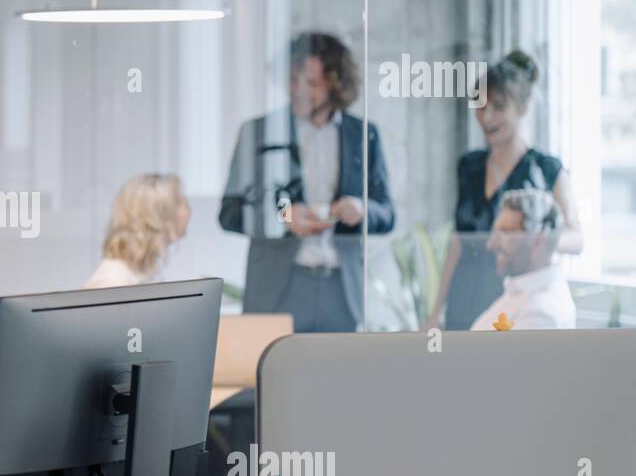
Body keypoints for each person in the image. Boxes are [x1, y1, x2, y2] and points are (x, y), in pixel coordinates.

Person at [219, 32, 394, 332]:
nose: (299, 91)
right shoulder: (258, 133)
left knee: (338, 378)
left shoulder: (364, 135)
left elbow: (387, 214)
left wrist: (361, 209)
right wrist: (284, 218)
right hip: (279, 289)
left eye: (312, 83)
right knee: (272, 377)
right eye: (292, 80)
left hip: (342, 290)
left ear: (336, 85)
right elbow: (231, 212)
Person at [427, 51, 581, 330]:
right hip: (465, 295)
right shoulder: (469, 166)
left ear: (521, 108)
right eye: (480, 106)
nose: (487, 117)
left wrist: (532, 237)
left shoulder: (546, 169)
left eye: (498, 106)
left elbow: (577, 238)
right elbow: (458, 243)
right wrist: (436, 311)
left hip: (513, 293)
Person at [471, 189, 576, 331]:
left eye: (505, 233)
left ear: (539, 241)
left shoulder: (541, 314)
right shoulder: (519, 292)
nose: (491, 244)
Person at [85, 173, 191, 288]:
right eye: (180, 202)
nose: (188, 209)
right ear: (156, 215)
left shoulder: (142, 272)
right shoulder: (112, 281)